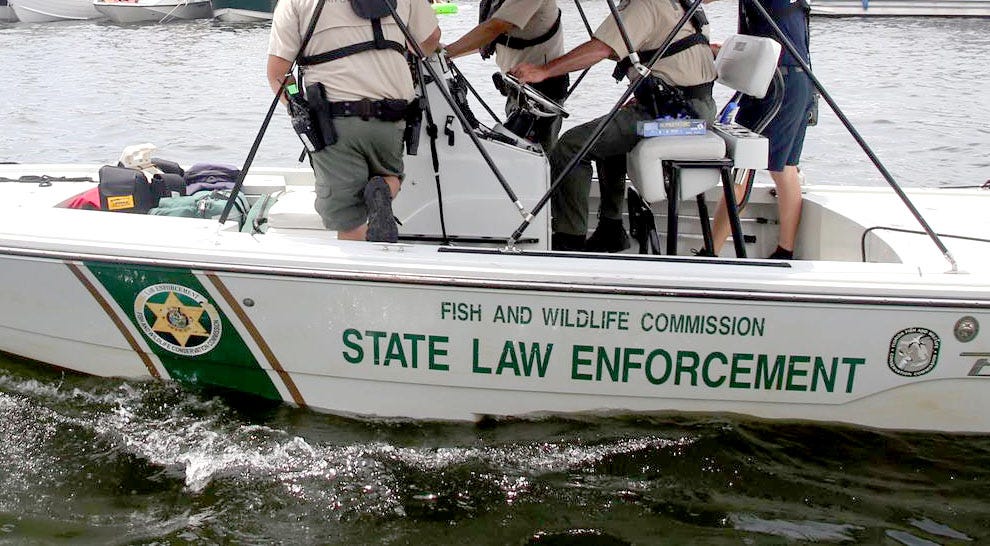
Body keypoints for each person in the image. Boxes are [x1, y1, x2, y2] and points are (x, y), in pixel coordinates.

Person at [509, 0, 717, 251]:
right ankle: (611, 229)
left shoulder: (645, 4)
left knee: (570, 147)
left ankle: (569, 240)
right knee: (607, 139)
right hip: (690, 108)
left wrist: (543, 71)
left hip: (676, 117)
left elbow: (601, 48)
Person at [267, 0, 441, 242]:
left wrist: (297, 104)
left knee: (349, 220)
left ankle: (360, 257)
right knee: (391, 175)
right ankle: (385, 188)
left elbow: (278, 73)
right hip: (392, 115)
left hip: (333, 122)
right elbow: (431, 39)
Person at [704, 0, 813, 260]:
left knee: (743, 167)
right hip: (795, 77)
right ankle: (784, 251)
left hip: (778, 82)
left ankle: (710, 253)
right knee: (784, 168)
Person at [444, 0, 567, 153]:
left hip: (542, 92)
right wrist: (446, 52)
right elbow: (492, 37)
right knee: (514, 150)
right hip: (517, 88)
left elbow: (494, 27)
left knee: (534, 155)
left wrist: (446, 52)